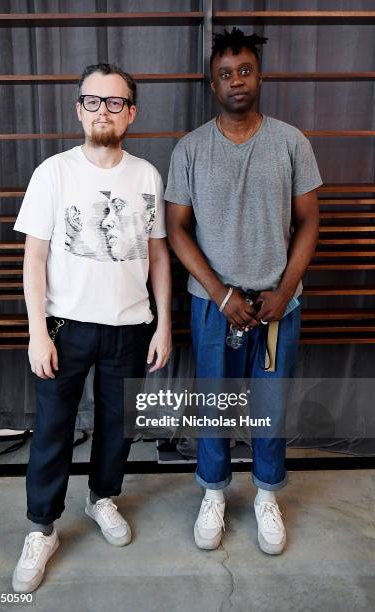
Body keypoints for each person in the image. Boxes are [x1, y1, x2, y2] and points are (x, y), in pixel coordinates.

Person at [12, 63, 172, 592]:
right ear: (80, 108)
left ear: (131, 113)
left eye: (116, 102)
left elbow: (158, 256)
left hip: (130, 327)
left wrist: (163, 322)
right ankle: (42, 527)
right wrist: (38, 330)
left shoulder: (147, 175)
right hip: (65, 327)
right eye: (94, 101)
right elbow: (34, 257)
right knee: (53, 431)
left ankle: (103, 498)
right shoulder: (52, 172)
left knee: (115, 428)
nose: (104, 110)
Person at [165, 28, 322, 554]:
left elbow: (308, 222)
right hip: (214, 306)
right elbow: (177, 230)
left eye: (245, 70)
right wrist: (222, 294)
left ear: (260, 76)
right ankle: (213, 492)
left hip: (278, 304)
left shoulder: (291, 141)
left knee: (270, 406)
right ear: (213, 84)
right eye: (226, 74)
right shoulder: (189, 149)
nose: (237, 81)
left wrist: (286, 286)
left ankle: (266, 494)